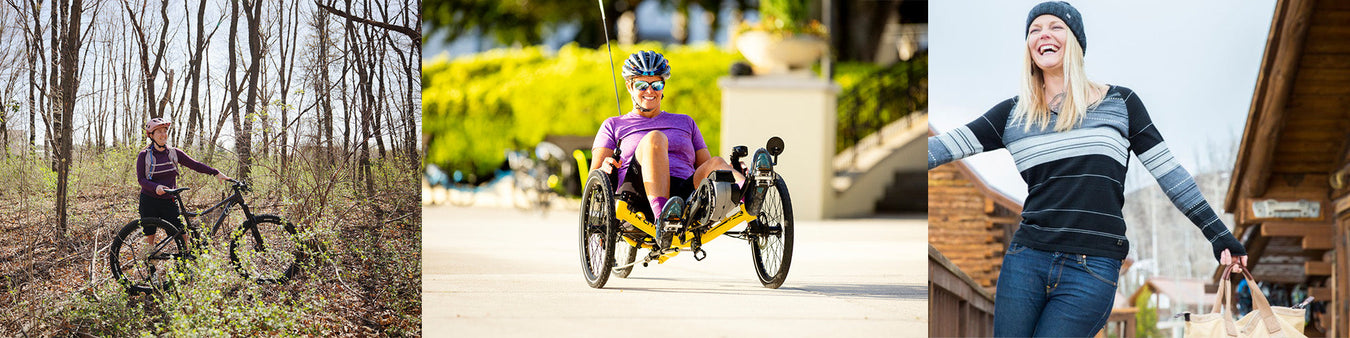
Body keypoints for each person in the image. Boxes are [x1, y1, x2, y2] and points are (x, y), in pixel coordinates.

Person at [926, 2, 1249, 336]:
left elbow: (1169, 173)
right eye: (1034, 30)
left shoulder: (1120, 104)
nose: (1043, 35)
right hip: (1026, 261)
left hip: (1092, 267)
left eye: (1055, 27)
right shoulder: (1013, 116)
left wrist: (1218, 234)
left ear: (1076, 41)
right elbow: (940, 148)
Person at [590, 50, 744, 246]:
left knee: (716, 162)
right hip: (638, 194)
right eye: (641, 85)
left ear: (663, 86)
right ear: (629, 86)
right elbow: (593, 177)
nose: (650, 91)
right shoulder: (614, 125)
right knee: (655, 139)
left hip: (684, 196)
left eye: (656, 84)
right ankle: (663, 219)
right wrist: (605, 167)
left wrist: (730, 170)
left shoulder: (685, 122)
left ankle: (750, 194)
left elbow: (705, 167)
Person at [137, 117, 232, 247]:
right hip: (149, 200)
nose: (163, 134)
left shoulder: (173, 153)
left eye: (165, 131)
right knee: (149, 239)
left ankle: (184, 264)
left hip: (168, 200)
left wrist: (216, 172)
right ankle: (150, 264)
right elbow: (141, 179)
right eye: (158, 132)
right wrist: (156, 187)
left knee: (182, 236)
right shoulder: (144, 155)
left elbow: (195, 165)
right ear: (151, 135)